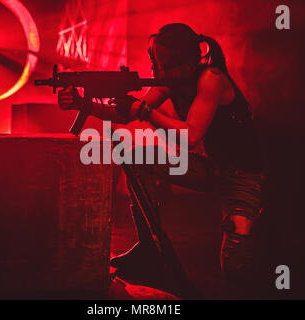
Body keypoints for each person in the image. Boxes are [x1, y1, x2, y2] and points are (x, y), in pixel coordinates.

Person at [58, 23, 266, 292]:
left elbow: (191, 136)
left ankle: (260, 230)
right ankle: (149, 248)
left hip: (242, 178)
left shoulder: (212, 79)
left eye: (161, 62)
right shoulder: (172, 83)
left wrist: (144, 110)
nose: (155, 69)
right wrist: (84, 105)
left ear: (186, 65)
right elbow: (128, 114)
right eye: (154, 60)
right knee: (133, 155)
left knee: (235, 270)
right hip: (210, 169)